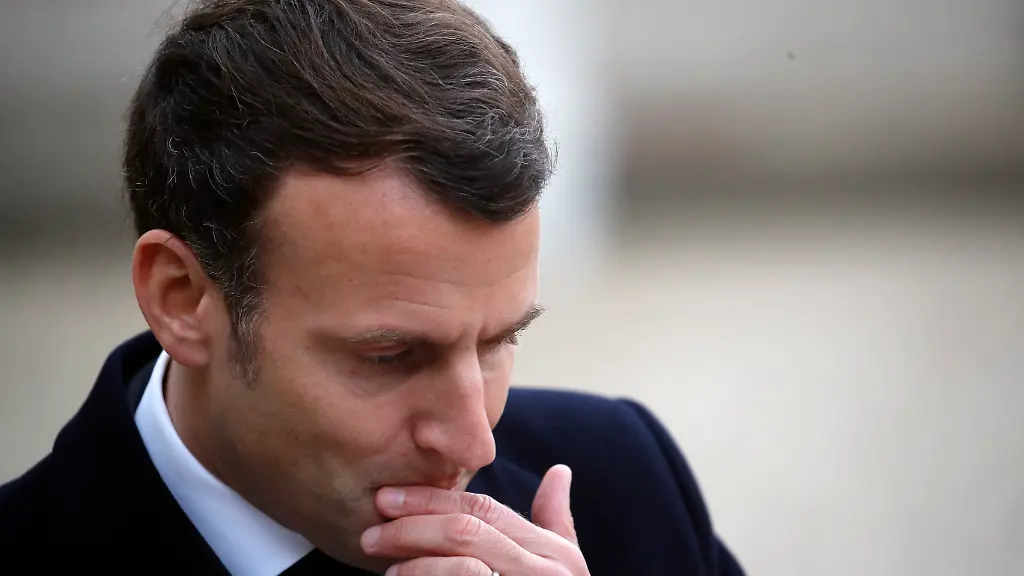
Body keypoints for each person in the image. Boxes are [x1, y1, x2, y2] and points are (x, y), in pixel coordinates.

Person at [0, 1, 744, 574]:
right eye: (389, 357)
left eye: (498, 341)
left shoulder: (627, 486)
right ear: (182, 299)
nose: (474, 441)